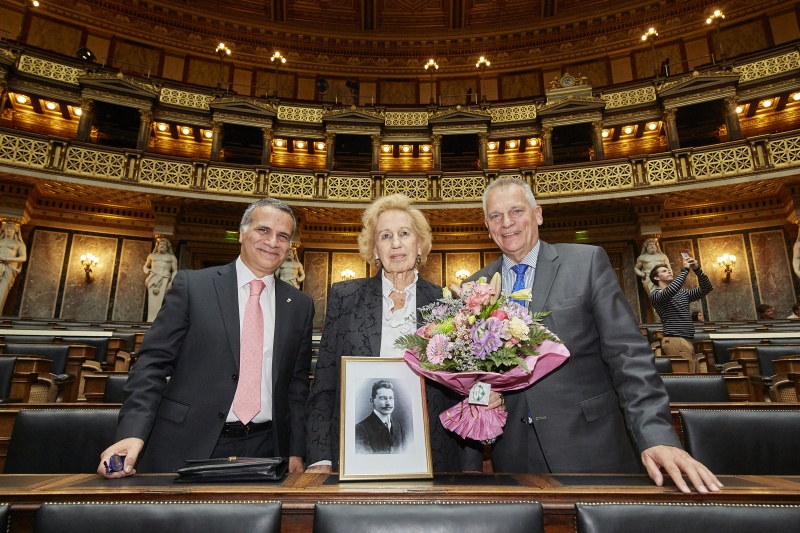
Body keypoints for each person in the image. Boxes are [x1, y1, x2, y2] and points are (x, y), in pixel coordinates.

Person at [468, 177, 721, 494]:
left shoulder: (586, 262)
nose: (507, 223)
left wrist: (656, 435)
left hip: (591, 445)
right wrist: (480, 398)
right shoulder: (475, 287)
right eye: (496, 216)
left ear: (538, 214)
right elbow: (473, 374)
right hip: (515, 453)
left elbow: (628, 357)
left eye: (517, 211)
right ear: (487, 226)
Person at [98, 198, 314, 477]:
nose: (273, 242)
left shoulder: (300, 305)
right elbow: (151, 365)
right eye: (263, 230)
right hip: (187, 443)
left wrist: (296, 448)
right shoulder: (193, 286)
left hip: (267, 450)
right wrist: (132, 433)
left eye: (283, 236)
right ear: (242, 233)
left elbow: (297, 384)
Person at [305, 193, 484, 473]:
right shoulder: (345, 297)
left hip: (436, 457)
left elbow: (464, 393)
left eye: (404, 233)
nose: (396, 243)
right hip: (356, 454)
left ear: (419, 244)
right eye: (385, 236)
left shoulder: (447, 303)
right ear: (375, 249)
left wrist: (470, 469)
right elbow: (325, 386)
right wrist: (320, 459)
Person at [649, 256, 713, 373]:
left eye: (669, 270)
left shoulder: (682, 293)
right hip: (674, 338)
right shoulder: (656, 294)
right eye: (664, 271)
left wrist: (697, 270)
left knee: (694, 374)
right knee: (688, 375)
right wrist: (685, 270)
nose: (669, 271)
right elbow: (670, 291)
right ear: (656, 277)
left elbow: (706, 288)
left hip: (687, 338)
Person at [355, 379, 406, 454]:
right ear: (372, 401)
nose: (388, 403)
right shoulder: (361, 429)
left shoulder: (397, 426)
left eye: (391, 398)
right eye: (383, 398)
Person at [143, 238, 178, 322]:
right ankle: (150, 320)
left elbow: (175, 270)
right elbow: (145, 266)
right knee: (152, 300)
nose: (162, 246)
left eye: (164, 244)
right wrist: (147, 271)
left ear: (167, 247)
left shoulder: (171, 257)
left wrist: (171, 282)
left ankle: (157, 321)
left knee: (161, 300)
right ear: (157, 246)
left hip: (165, 278)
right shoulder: (152, 255)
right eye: (160, 244)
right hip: (153, 277)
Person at [0, 221, 26, 313]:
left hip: (9, 267)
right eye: (7, 228)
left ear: (15, 231)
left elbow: (23, 257)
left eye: (11, 228)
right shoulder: (0, 240)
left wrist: (9, 259)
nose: (8, 230)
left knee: (2, 290)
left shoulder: (19, 244)